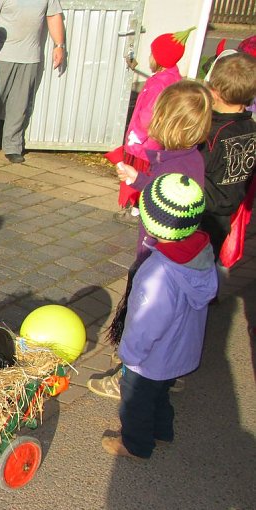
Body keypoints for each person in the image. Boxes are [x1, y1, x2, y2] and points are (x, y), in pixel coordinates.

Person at [91, 80, 212, 401]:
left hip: (156, 253)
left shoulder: (174, 165)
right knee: (175, 317)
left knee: (146, 314)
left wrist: (145, 182)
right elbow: (169, 196)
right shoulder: (190, 159)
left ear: (164, 122)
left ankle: (130, 375)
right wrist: (140, 179)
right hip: (178, 251)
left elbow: (163, 199)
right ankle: (171, 372)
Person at [101, 173, 218, 459]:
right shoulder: (200, 253)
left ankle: (136, 445)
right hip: (179, 351)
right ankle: (163, 432)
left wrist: (129, 354)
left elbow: (146, 324)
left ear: (152, 221)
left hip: (151, 358)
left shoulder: (157, 272)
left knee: (136, 401)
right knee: (160, 394)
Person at [113, 27, 195, 215]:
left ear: (159, 58)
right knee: (151, 173)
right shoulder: (174, 79)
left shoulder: (158, 84)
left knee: (137, 174)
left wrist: (137, 135)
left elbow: (148, 114)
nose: (150, 56)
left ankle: (137, 207)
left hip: (144, 143)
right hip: (158, 142)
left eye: (152, 53)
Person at [0, 0, 66, 164]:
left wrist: (59, 45)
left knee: (20, 106)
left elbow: (54, 16)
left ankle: (12, 147)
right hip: (1, 56)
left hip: (30, 58)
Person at [198, 52, 256, 260]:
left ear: (214, 92)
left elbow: (194, 170)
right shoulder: (252, 128)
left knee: (191, 263)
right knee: (209, 260)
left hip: (202, 213)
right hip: (228, 212)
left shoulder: (211, 133)